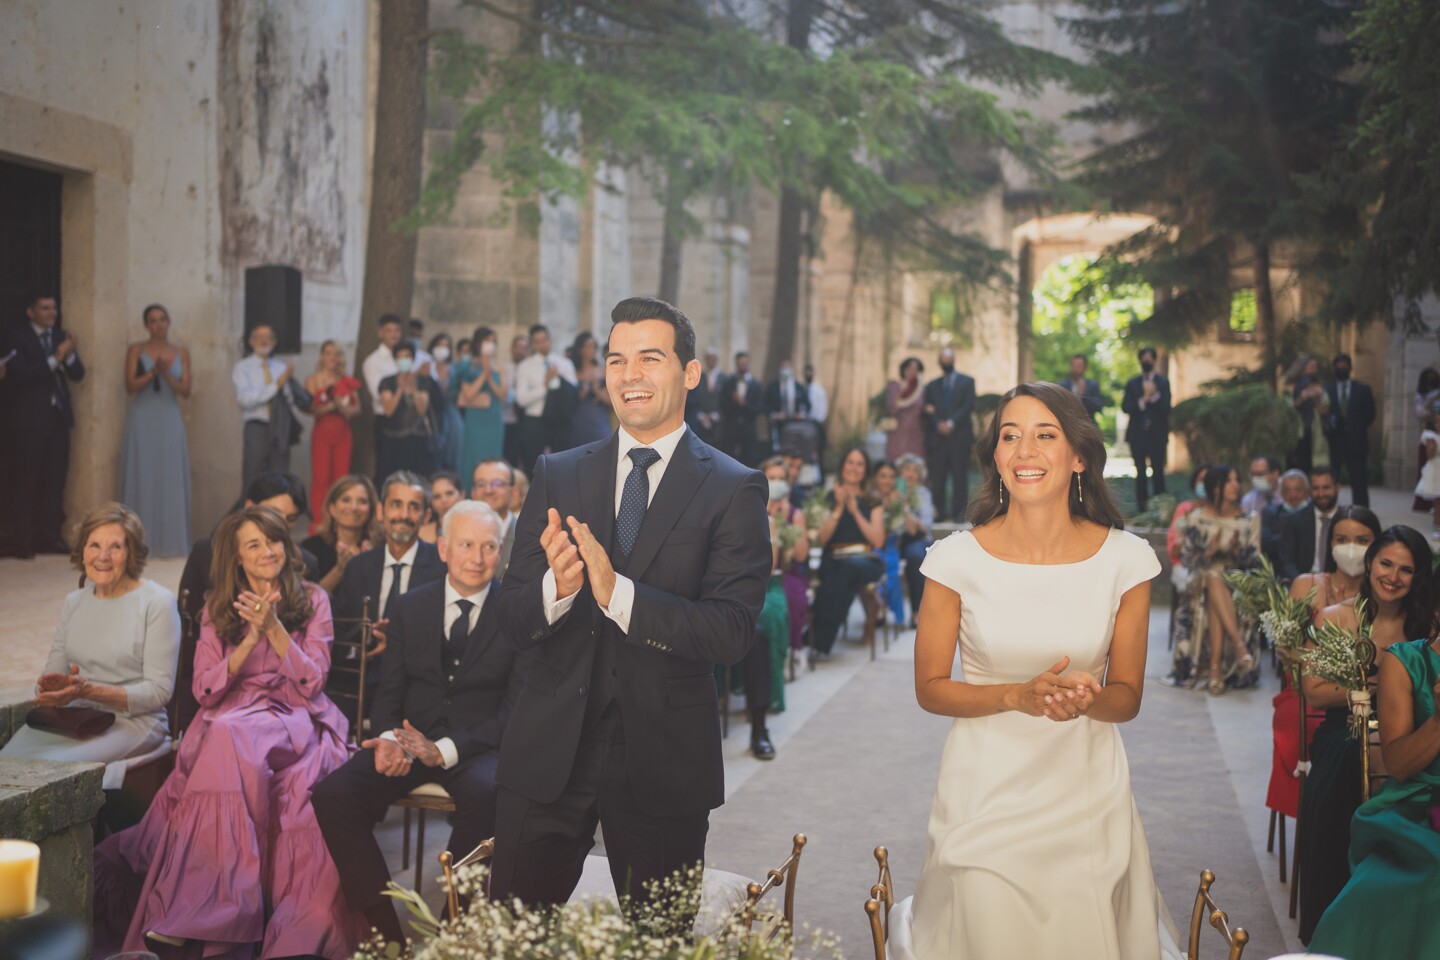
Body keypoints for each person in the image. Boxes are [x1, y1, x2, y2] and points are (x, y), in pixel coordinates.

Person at [489, 297, 770, 926]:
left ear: (690, 373)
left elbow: (730, 632)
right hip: (547, 751)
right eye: (617, 359)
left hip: (662, 758)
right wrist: (556, 592)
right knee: (507, 937)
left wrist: (620, 595)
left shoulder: (734, 487)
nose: (629, 373)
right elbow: (510, 619)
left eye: (650, 357)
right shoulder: (557, 472)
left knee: (657, 941)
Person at [888, 381, 1181, 960]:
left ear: (1078, 457)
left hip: (1086, 794)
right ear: (995, 457)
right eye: (1010, 436)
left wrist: (1085, 700)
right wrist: (1015, 697)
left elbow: (1126, 697)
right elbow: (930, 689)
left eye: (1045, 435)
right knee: (986, 912)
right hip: (985, 790)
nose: (1025, 451)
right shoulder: (953, 561)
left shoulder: (1126, 561)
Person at [94, 505, 364, 958]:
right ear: (237, 557)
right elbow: (205, 689)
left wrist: (275, 627)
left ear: (287, 545)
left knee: (240, 744)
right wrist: (251, 639)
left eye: (273, 541)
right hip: (232, 712)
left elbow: (312, 681)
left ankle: (229, 915)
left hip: (293, 715)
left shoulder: (314, 599)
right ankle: (204, 909)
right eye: (253, 545)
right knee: (223, 732)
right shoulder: (217, 606)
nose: (266, 552)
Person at [313, 500, 520, 944]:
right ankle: (385, 935)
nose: (477, 558)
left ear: (500, 552)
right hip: (410, 739)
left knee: (490, 794)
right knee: (333, 795)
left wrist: (444, 750)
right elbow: (390, 691)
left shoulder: (517, 613)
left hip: (475, 747)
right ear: (443, 548)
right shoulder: (410, 606)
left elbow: (515, 711)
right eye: (466, 544)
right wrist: (389, 737)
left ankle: (449, 935)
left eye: (488, 547)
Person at [1307, 537, 1440, 960]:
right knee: (1347, 754)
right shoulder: (1344, 623)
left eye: (1406, 569)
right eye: (1386, 564)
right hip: (1354, 736)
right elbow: (1313, 691)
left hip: (1389, 740)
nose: (1393, 577)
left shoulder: (1418, 625)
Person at [0, 503, 179, 792]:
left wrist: (89, 690)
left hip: (133, 723)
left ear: (131, 554)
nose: (103, 556)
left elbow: (159, 692)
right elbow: (46, 686)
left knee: (45, 771)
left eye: (116, 547)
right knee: (6, 764)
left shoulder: (157, 602)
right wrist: (53, 689)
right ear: (82, 551)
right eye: (94, 545)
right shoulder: (75, 602)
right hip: (73, 719)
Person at [1263, 504, 1379, 884]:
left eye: (1362, 541)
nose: (1351, 548)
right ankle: (1321, 836)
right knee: (1309, 732)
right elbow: (1287, 650)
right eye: (1342, 540)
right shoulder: (1306, 585)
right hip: (1304, 692)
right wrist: (1325, 663)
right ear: (1329, 544)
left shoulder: (1384, 593)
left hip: (1367, 700)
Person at [329, 472, 446, 699]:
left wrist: (397, 644)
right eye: (396, 505)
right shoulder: (358, 568)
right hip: (361, 681)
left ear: (426, 516)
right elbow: (340, 634)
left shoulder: (441, 568)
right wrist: (367, 645)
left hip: (419, 688)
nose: (404, 515)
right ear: (381, 511)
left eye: (413, 507)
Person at [0, 293, 86, 557]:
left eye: (54, 308)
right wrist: (56, 358)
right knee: (26, 481)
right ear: (30, 312)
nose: (52, 313)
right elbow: (21, 375)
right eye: (45, 308)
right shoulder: (17, 338)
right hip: (28, 422)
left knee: (54, 480)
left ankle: (49, 537)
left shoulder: (60, 337)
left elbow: (78, 374)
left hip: (57, 420)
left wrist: (68, 356)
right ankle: (21, 541)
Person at [1166, 464, 1261, 693]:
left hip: (1236, 579)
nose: (1235, 485)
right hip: (1202, 578)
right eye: (1228, 481)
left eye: (1236, 480)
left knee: (1216, 580)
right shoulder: (1197, 518)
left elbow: (1255, 561)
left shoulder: (1249, 519)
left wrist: (1237, 551)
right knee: (1212, 577)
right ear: (1215, 487)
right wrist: (1210, 551)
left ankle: (1216, 670)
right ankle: (1238, 649)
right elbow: (1188, 558)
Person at [118, 303, 192, 557]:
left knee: (170, 476)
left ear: (168, 322)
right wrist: (152, 371)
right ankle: (137, 541)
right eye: (152, 320)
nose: (158, 324)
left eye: (162, 319)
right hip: (143, 418)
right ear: (146, 325)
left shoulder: (181, 352)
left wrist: (166, 373)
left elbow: (185, 390)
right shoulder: (136, 350)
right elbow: (130, 385)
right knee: (142, 474)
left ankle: (171, 540)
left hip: (169, 417)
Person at [810, 447, 887, 660]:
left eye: (859, 463)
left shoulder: (873, 500)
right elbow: (822, 539)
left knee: (850, 568)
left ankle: (817, 632)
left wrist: (854, 511)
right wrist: (838, 507)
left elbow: (878, 540)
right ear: (843, 466)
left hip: (865, 559)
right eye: (850, 462)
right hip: (834, 558)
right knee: (840, 571)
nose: (854, 467)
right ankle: (820, 637)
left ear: (865, 470)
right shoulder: (828, 497)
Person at [233, 324, 300, 494]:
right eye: (259, 337)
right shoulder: (243, 368)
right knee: (252, 477)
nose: (264, 341)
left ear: (275, 342)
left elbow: (289, 399)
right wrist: (275, 385)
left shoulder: (280, 367)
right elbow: (245, 400)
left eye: (268, 337)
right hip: (257, 427)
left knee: (280, 478)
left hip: (279, 427)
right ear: (251, 341)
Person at [305, 340, 363, 535]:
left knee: (341, 478)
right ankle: (319, 520)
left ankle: (340, 519)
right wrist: (333, 405)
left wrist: (343, 407)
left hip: (343, 433)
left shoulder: (347, 380)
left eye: (335, 353)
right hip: (322, 432)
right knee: (321, 478)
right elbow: (310, 408)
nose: (332, 357)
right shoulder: (313, 380)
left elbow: (356, 410)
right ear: (322, 356)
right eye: (328, 353)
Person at [920, 347, 976, 522]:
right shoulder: (932, 385)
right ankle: (939, 512)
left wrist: (951, 422)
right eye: (943, 360)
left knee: (960, 477)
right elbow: (928, 409)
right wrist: (938, 423)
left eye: (948, 360)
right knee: (938, 477)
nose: (946, 363)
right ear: (939, 363)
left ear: (954, 360)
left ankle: (959, 513)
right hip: (938, 440)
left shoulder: (967, 382)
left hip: (959, 438)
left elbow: (968, 405)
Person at [512, 324, 577, 473]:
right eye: (537, 341)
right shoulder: (525, 366)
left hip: (559, 421)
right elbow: (521, 399)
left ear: (550, 340)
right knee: (533, 465)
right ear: (533, 344)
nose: (542, 344)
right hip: (535, 420)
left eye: (545, 339)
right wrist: (545, 386)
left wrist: (559, 380)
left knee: (562, 464)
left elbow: (573, 392)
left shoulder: (564, 363)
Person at [301, 474, 380, 595]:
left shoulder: (380, 548)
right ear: (332, 508)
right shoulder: (310, 548)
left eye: (362, 501)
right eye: (346, 500)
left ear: (371, 510)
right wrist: (339, 570)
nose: (354, 507)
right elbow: (306, 600)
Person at [376, 341, 442, 480]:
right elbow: (389, 410)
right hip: (393, 440)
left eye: (407, 356)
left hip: (418, 440)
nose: (404, 360)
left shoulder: (423, 381)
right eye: (400, 357)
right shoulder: (387, 382)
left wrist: (413, 391)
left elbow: (422, 409)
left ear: (412, 359)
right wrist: (400, 388)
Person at [1322, 353, 1376, 508]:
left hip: (1357, 442)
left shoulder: (1363, 389)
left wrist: (1356, 427)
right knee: (1332, 478)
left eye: (1344, 366)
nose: (1341, 369)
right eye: (1338, 366)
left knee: (1359, 481)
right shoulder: (1327, 389)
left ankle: (1362, 511)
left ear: (1350, 368)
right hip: (1334, 441)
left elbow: (1370, 414)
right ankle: (1329, 509)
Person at [1121, 346, 1171, 511]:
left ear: (1154, 360)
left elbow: (1166, 407)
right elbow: (1126, 407)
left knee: (1158, 471)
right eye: (1143, 358)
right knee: (1140, 472)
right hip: (1137, 435)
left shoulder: (1163, 382)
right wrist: (1144, 398)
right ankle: (1142, 509)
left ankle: (1159, 507)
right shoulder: (1132, 383)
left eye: (1149, 357)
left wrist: (1155, 395)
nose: (1146, 360)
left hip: (1157, 435)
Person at [453, 326, 507, 481]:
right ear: (478, 343)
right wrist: (484, 372)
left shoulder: (501, 368)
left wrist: (490, 376)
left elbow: (502, 396)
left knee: (493, 457)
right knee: (473, 457)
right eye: (486, 340)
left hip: (494, 418)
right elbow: (468, 395)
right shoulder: (467, 366)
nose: (490, 344)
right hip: (475, 419)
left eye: (493, 341)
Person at [1278, 465, 1341, 582]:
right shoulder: (1294, 520)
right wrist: (1302, 583)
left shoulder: (1347, 520)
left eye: (1326, 488)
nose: (1321, 493)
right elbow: (1287, 562)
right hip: (1304, 583)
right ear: (1309, 491)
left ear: (1337, 488)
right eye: (1315, 488)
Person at [894, 454, 936, 628]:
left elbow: (924, 525)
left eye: (915, 471)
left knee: (915, 558)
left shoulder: (923, 493)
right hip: (895, 538)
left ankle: (916, 611)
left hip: (917, 539)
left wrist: (905, 508)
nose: (910, 474)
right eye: (907, 470)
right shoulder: (892, 491)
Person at [470, 459, 519, 576]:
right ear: (473, 492)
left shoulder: (527, 535)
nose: (488, 490)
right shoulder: (457, 531)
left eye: (498, 484)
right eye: (481, 484)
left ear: (513, 492)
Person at [1285, 355, 1331, 473]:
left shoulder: (1319, 386)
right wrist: (1302, 398)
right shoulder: (1290, 387)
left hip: (1315, 432)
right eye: (1311, 367)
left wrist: (1317, 397)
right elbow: (1287, 409)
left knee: (1314, 468)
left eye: (1315, 367)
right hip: (1296, 433)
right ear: (1302, 368)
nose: (1314, 370)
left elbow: (1325, 410)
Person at [720, 351, 766, 466]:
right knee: (730, 460)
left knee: (749, 460)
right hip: (731, 428)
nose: (743, 366)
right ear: (736, 364)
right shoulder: (728, 383)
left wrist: (744, 403)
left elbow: (759, 408)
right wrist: (734, 402)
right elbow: (722, 405)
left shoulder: (756, 385)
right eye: (740, 364)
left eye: (745, 363)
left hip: (749, 429)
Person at [427, 333, 465, 473]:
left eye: (446, 346)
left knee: (453, 449)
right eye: (439, 345)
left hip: (450, 413)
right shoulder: (426, 367)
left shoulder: (454, 369)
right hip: (431, 414)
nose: (442, 349)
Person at [568, 330, 613, 448]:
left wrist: (598, 392)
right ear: (580, 349)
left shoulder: (602, 371)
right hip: (578, 419)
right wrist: (581, 393)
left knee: (602, 448)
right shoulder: (572, 371)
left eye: (594, 347)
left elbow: (613, 401)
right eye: (588, 347)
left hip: (598, 417)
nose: (592, 350)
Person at [1262, 469, 1310, 569]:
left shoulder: (1314, 512)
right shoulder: (1270, 513)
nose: (1293, 495)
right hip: (1280, 569)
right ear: (1281, 493)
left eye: (1298, 490)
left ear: (1306, 491)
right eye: (1288, 491)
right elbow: (1266, 544)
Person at [766, 357, 810, 454]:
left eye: (788, 367)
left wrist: (802, 414)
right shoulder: (772, 386)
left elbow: (807, 405)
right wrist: (774, 415)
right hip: (778, 424)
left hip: (795, 423)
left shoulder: (798, 387)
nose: (786, 369)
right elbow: (766, 404)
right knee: (778, 448)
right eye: (783, 367)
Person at [885, 357, 926, 461]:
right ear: (904, 370)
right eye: (910, 369)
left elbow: (923, 408)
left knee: (914, 466)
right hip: (898, 435)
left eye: (916, 370)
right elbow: (892, 408)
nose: (913, 372)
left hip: (916, 435)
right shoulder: (895, 386)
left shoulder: (922, 390)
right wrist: (902, 392)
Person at [362, 313, 405, 409]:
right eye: (389, 331)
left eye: (397, 330)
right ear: (380, 333)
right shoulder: (372, 361)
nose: (393, 335)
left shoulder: (409, 357)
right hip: (386, 415)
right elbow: (378, 394)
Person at [1413, 367, 1440, 513]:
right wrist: (1429, 406)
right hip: (1429, 435)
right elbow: (1419, 413)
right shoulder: (1420, 396)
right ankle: (1424, 504)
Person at [684, 346, 723, 444]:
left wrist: (713, 416)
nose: (711, 361)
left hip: (719, 423)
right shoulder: (698, 378)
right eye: (709, 358)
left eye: (713, 358)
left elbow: (725, 402)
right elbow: (692, 398)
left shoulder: (724, 379)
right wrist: (701, 416)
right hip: (698, 422)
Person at [502, 333, 529, 469]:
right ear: (511, 349)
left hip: (527, 419)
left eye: (523, 347)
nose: (520, 351)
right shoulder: (504, 369)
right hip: (509, 419)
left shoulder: (531, 369)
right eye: (517, 347)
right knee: (509, 457)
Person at [419, 469, 464, 545]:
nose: (444, 500)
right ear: (431, 502)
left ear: (461, 495)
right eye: (437, 497)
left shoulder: (476, 527)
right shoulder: (421, 534)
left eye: (449, 493)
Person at [1056, 353, 1104, 421]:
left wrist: (1083, 395)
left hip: (1088, 425)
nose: (1075, 369)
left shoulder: (1093, 385)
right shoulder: (1061, 386)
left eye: (1079, 366)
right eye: (1073, 366)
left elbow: (1098, 407)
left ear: (1085, 368)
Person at [1415, 413, 1440, 538]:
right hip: (1437, 471)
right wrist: (1432, 446)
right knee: (1438, 501)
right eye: (1437, 421)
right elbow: (1430, 455)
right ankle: (1437, 527)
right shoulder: (1431, 437)